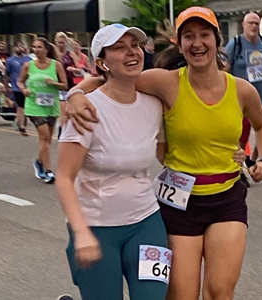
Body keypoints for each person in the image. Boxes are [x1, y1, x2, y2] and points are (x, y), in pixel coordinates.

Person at [66, 6, 262, 300]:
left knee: (219, 291)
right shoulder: (166, 81)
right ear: (180, 43)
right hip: (179, 205)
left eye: (204, 35)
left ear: (217, 40)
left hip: (227, 198)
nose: (197, 42)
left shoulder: (241, 90)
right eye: (188, 36)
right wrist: (75, 95)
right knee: (180, 296)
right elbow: (110, 79)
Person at [56, 24, 171, 300]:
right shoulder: (86, 111)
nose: (132, 52)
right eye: (120, 47)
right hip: (96, 227)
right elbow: (63, 178)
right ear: (101, 63)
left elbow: (167, 156)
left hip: (145, 221)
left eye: (135, 45)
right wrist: (81, 232)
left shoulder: (154, 105)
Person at [224, 12, 262, 186]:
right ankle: (237, 171)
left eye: (256, 23)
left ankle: (253, 161)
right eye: (251, 23)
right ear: (243, 25)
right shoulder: (236, 44)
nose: (254, 26)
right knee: (241, 136)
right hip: (241, 100)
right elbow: (224, 68)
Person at [17, 37, 68, 183]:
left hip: (50, 105)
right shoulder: (28, 65)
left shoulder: (56, 65)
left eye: (39, 47)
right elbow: (20, 81)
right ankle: (48, 171)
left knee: (47, 140)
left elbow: (65, 85)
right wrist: (24, 89)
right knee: (44, 136)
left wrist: (54, 83)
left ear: (46, 49)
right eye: (34, 47)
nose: (36, 50)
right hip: (34, 105)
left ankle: (39, 161)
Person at [54, 32, 80, 132]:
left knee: (70, 109)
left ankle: (67, 127)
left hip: (70, 83)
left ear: (66, 43)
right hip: (58, 84)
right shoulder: (54, 56)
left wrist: (73, 70)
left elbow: (79, 70)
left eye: (63, 42)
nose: (61, 45)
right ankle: (61, 128)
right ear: (56, 43)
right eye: (59, 42)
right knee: (63, 109)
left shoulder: (71, 55)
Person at [5, 41, 32, 136]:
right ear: (14, 48)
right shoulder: (10, 60)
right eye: (17, 46)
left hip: (28, 86)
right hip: (16, 86)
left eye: (21, 46)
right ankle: (22, 127)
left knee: (26, 107)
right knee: (20, 107)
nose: (19, 48)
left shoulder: (29, 59)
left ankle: (22, 123)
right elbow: (7, 75)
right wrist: (7, 88)